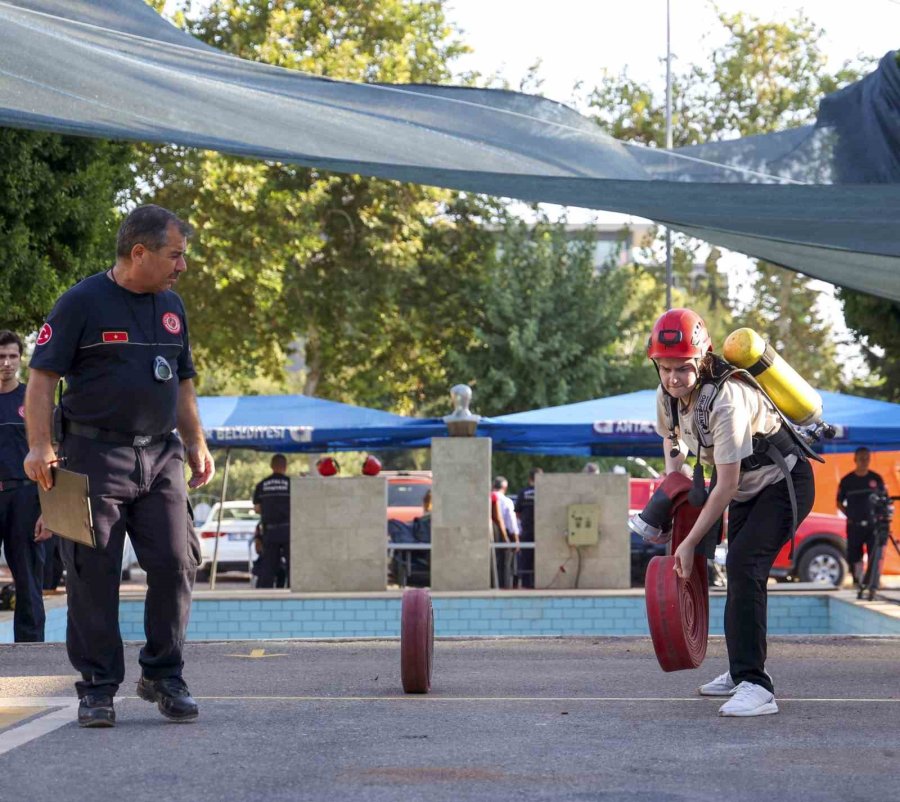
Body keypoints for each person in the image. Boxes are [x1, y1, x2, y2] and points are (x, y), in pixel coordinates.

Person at [24, 204, 214, 729]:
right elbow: (41, 380)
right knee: (92, 576)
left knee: (178, 562)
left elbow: (182, 381)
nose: (182, 266)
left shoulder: (172, 307)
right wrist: (40, 446)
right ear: (140, 252)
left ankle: (163, 674)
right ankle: (98, 687)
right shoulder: (80, 303)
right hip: (90, 458)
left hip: (159, 456)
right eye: (175, 255)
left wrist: (195, 441)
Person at [649, 308, 814, 717]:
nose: (673, 378)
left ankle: (757, 686)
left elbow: (724, 485)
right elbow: (674, 445)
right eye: (665, 367)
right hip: (745, 493)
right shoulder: (667, 395)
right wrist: (672, 494)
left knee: (744, 567)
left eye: (683, 369)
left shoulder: (725, 399)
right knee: (736, 574)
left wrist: (687, 545)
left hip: (783, 484)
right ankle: (740, 670)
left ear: (701, 359)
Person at [0, 330, 46, 641]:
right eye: (1, 357)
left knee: (28, 578)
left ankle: (31, 650)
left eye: (12, 356)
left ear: (20, 359)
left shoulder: (33, 400)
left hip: (26, 497)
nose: (6, 363)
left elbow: (51, 456)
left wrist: (50, 511)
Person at [837, 447, 886, 587]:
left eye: (867, 458)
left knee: (875, 555)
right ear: (855, 459)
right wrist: (850, 514)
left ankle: (873, 582)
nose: (864, 461)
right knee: (854, 555)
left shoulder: (876, 479)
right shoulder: (847, 480)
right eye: (861, 458)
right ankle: (858, 582)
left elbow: (884, 500)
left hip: (873, 525)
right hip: (854, 525)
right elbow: (839, 502)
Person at [252, 453, 291, 589]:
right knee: (292, 565)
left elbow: (257, 509)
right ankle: (294, 592)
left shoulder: (262, 485)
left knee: (268, 566)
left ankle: (264, 596)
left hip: (270, 531)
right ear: (285, 467)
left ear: (271, 466)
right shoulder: (291, 484)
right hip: (288, 530)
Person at [514, 467, 542, 589]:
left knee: (526, 558)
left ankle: (526, 584)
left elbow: (517, 512)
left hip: (527, 530)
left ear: (529, 478)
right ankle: (539, 582)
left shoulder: (523, 492)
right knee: (540, 557)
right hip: (543, 531)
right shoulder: (546, 492)